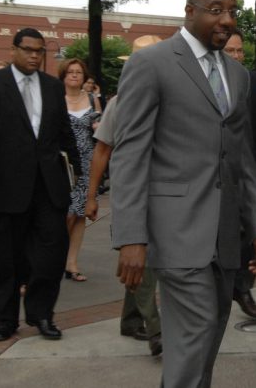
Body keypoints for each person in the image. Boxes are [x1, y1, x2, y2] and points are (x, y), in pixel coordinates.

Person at [110, 0, 256, 388]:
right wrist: (131, 236)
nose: (227, 21)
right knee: (196, 329)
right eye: (216, 10)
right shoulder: (151, 64)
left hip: (226, 235)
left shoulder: (237, 75)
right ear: (190, 11)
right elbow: (129, 153)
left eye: (232, 12)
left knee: (210, 332)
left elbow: (243, 159)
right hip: (176, 231)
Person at [0, 28, 81, 342]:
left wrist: (81, 175)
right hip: (1, 190)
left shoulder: (53, 87)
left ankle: (42, 314)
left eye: (39, 51)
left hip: (47, 188)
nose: (33, 56)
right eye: (27, 50)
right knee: (6, 260)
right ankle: (5, 320)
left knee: (51, 255)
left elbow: (63, 133)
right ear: (13, 50)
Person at [86, 34, 164, 357]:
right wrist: (91, 196)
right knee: (141, 259)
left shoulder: (172, 97)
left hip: (163, 194)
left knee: (143, 263)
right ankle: (156, 328)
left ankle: (130, 319)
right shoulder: (119, 104)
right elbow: (102, 150)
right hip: (132, 196)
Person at [223, 30, 256, 319]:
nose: (236, 56)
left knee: (252, 232)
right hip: (216, 174)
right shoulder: (207, 80)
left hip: (249, 170)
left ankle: (243, 287)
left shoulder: (253, 81)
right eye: (230, 51)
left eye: (239, 51)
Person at [60, 58, 101, 283]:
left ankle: (71, 263)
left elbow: (101, 127)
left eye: (78, 72)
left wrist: (98, 125)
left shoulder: (92, 99)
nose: (74, 75)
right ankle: (54, 258)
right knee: (65, 213)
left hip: (87, 162)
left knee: (79, 214)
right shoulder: (56, 99)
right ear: (63, 75)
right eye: (70, 72)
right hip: (64, 163)